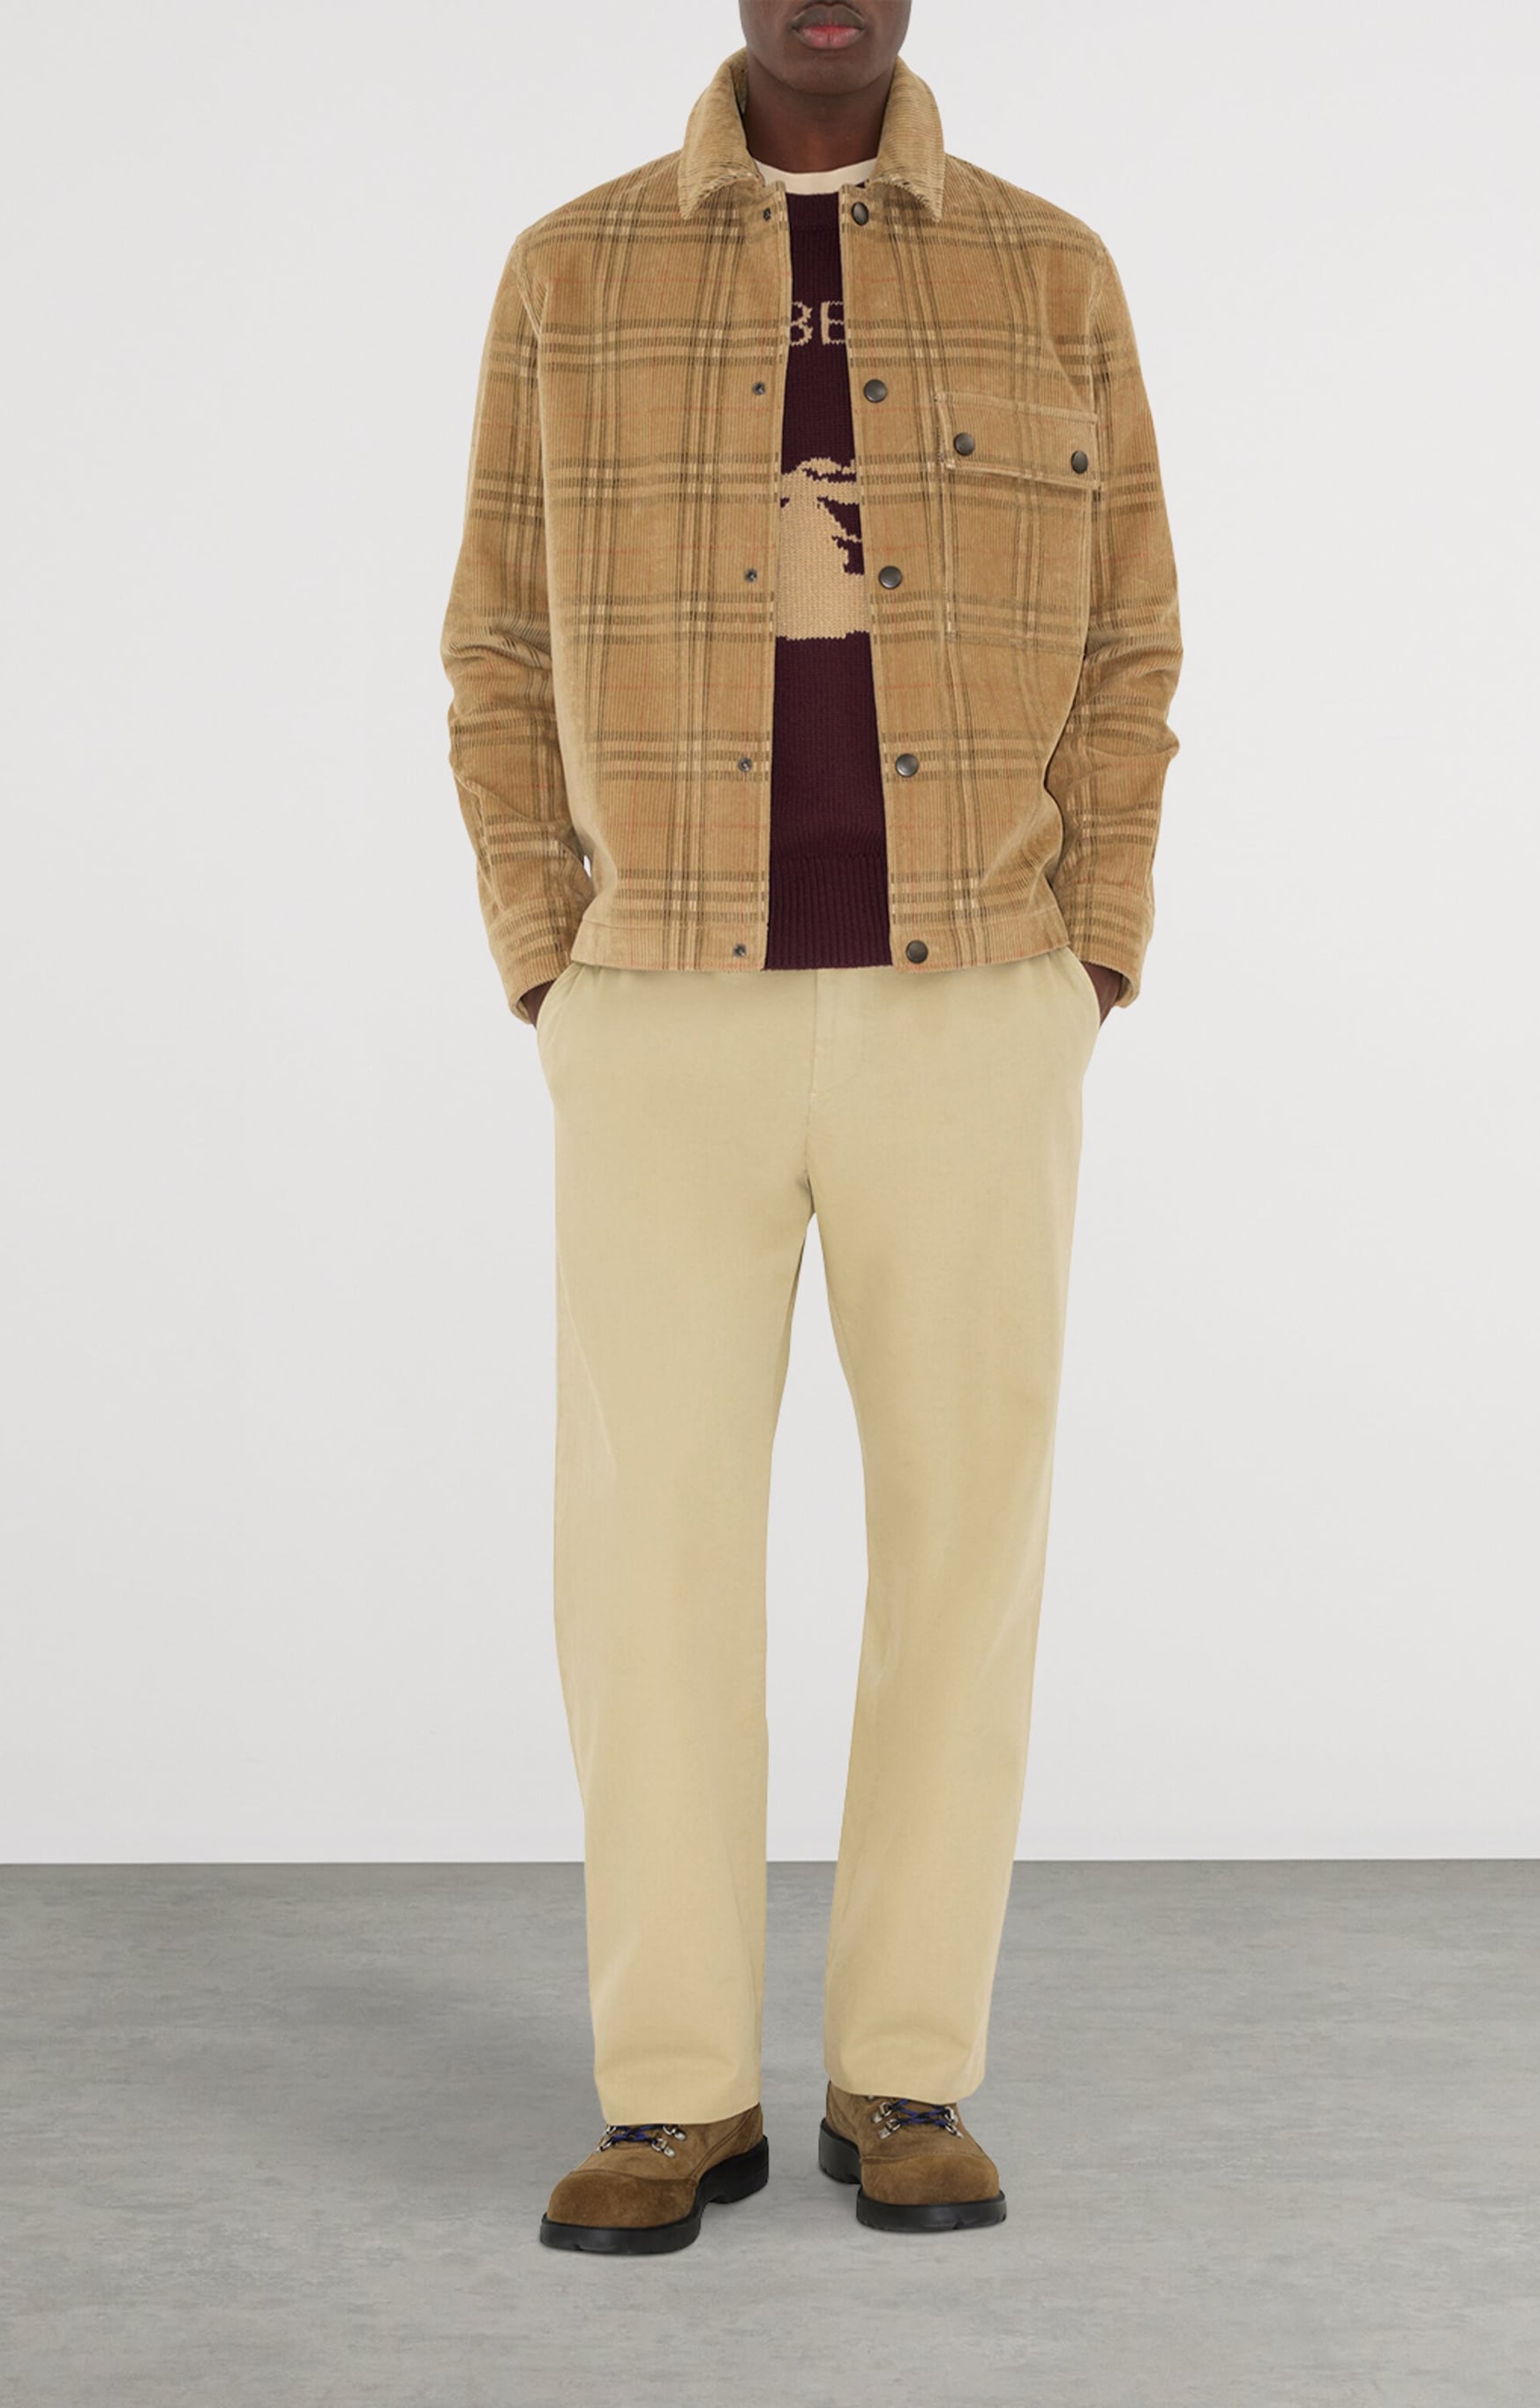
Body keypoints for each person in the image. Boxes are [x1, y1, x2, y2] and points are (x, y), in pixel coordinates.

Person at [439, 0, 1182, 2254]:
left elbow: (1134, 646)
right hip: (662, 1002)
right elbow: (494, 653)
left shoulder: (1051, 268)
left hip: (976, 996)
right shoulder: (573, 272)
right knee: (647, 1554)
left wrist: (1092, 949)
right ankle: (673, 2100)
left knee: (965, 1542)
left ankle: (904, 2075)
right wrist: (552, 957)